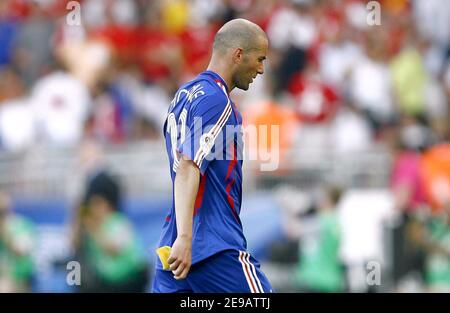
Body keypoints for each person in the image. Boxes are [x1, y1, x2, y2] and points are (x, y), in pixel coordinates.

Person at [152, 18, 272, 293]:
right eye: (259, 59)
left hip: (173, 253)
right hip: (210, 247)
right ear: (238, 54)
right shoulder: (216, 100)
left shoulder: (182, 96)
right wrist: (186, 236)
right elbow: (188, 165)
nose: (261, 69)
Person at [0, 190, 35, 292]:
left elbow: (23, 249)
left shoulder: (20, 225)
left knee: (4, 287)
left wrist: (6, 234)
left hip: (20, 279)